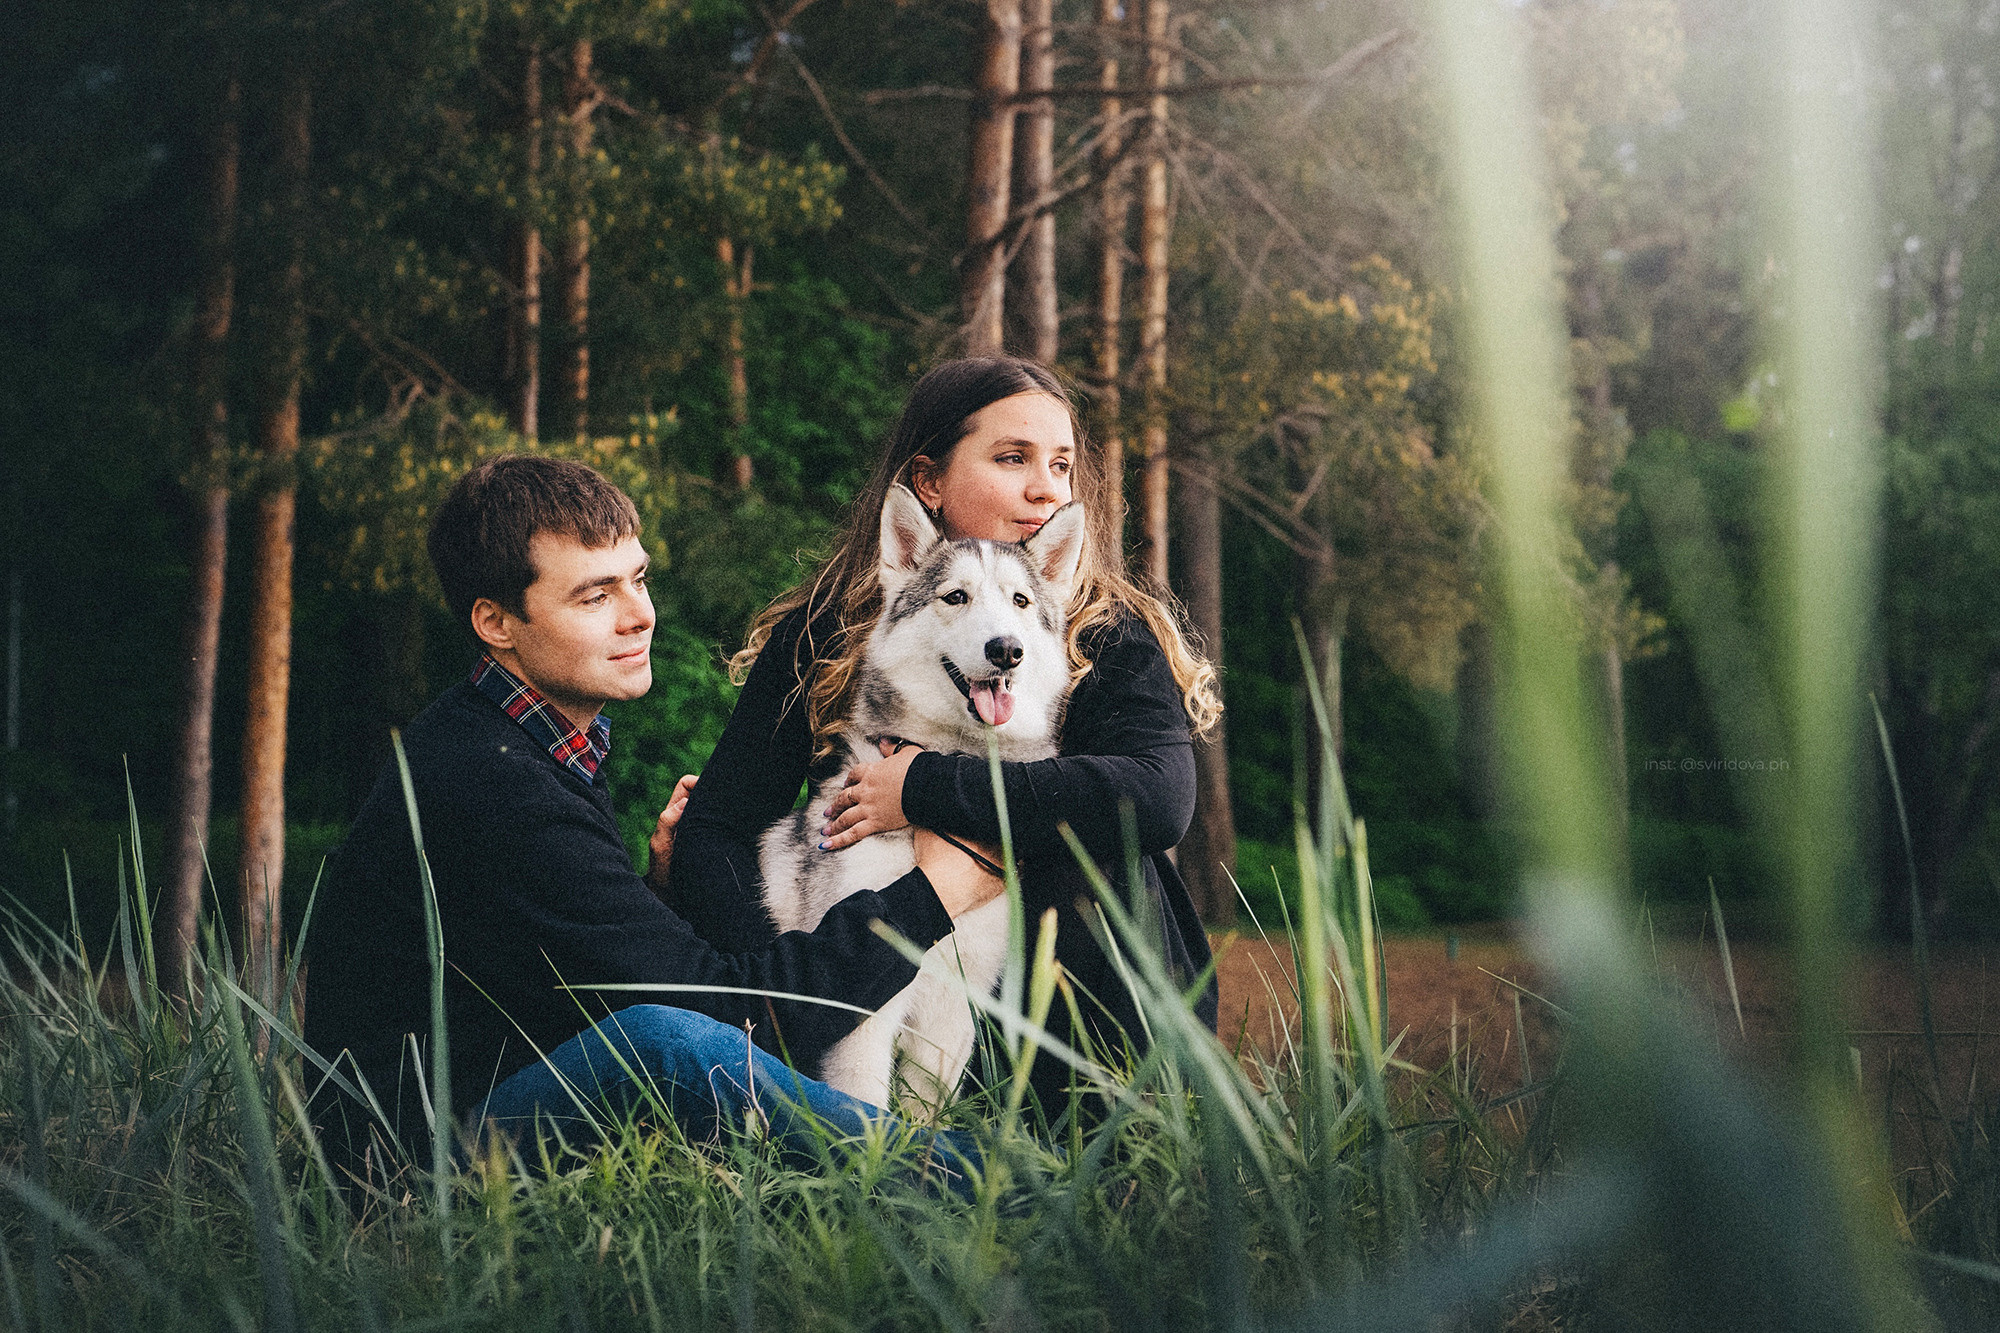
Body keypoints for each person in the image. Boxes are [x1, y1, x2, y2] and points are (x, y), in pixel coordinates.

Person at [303, 455, 1005, 1187]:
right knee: (665, 1048)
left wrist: (655, 896)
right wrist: (935, 892)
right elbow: (738, 1021)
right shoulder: (494, 783)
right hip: (414, 1164)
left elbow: (543, 975)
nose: (640, 613)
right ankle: (1005, 1190)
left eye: (636, 578)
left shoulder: (517, 736)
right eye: (594, 595)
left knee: (664, 1037)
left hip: (488, 1094)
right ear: (497, 622)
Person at [665, 357, 1222, 1119]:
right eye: (1012, 458)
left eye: (1061, 465)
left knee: (1090, 844)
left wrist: (919, 788)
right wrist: (774, 985)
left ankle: (1107, 1141)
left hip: (1097, 1020)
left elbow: (1155, 802)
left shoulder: (1107, 634)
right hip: (901, 996)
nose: (1046, 489)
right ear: (927, 482)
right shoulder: (827, 629)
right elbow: (719, 826)